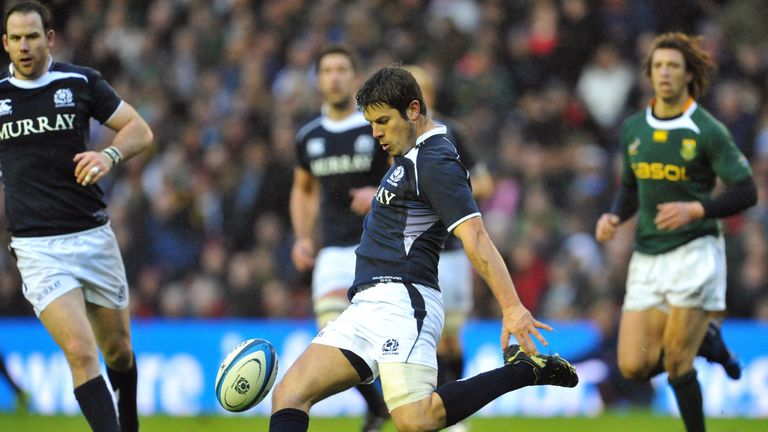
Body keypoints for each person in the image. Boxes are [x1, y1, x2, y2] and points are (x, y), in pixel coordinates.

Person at [270, 65, 578, 432]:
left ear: (413, 109)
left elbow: (476, 237)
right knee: (289, 393)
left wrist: (512, 308)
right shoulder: (411, 156)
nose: (375, 133)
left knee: (417, 420)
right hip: (366, 305)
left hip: (404, 301)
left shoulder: (436, 161)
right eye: (371, 123)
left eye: (383, 121)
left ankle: (524, 371)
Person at [0, 2, 153, 431]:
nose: (25, 46)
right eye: (16, 38)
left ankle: (130, 423)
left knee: (119, 351)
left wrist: (109, 155)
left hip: (92, 236)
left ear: (49, 38)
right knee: (81, 353)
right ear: (5, 44)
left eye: (33, 36)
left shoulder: (80, 83)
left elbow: (140, 129)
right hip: (35, 248)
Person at [595, 32, 757, 432]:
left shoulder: (706, 129)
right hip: (648, 255)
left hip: (694, 250)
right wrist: (614, 216)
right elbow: (632, 187)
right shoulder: (634, 129)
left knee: (676, 362)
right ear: (649, 74)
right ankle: (711, 342)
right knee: (633, 364)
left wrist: (697, 208)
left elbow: (746, 190)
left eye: (674, 66)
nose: (665, 73)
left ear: (688, 76)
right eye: (659, 66)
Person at [290, 44, 391, 431]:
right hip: (332, 249)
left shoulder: (375, 126)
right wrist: (301, 236)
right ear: (318, 79)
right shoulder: (309, 136)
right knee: (332, 333)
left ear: (353, 77)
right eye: (327, 70)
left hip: (376, 247)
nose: (334, 76)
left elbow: (405, 171)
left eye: (341, 69)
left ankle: (397, 404)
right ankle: (379, 404)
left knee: (380, 338)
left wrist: (378, 192)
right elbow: (302, 189)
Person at [402, 64, 493, 389]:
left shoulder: (451, 132)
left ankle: (452, 402)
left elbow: (484, 182)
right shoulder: (392, 135)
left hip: (450, 251)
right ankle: (439, 403)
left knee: (450, 336)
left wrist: (448, 190)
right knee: (426, 332)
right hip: (411, 249)